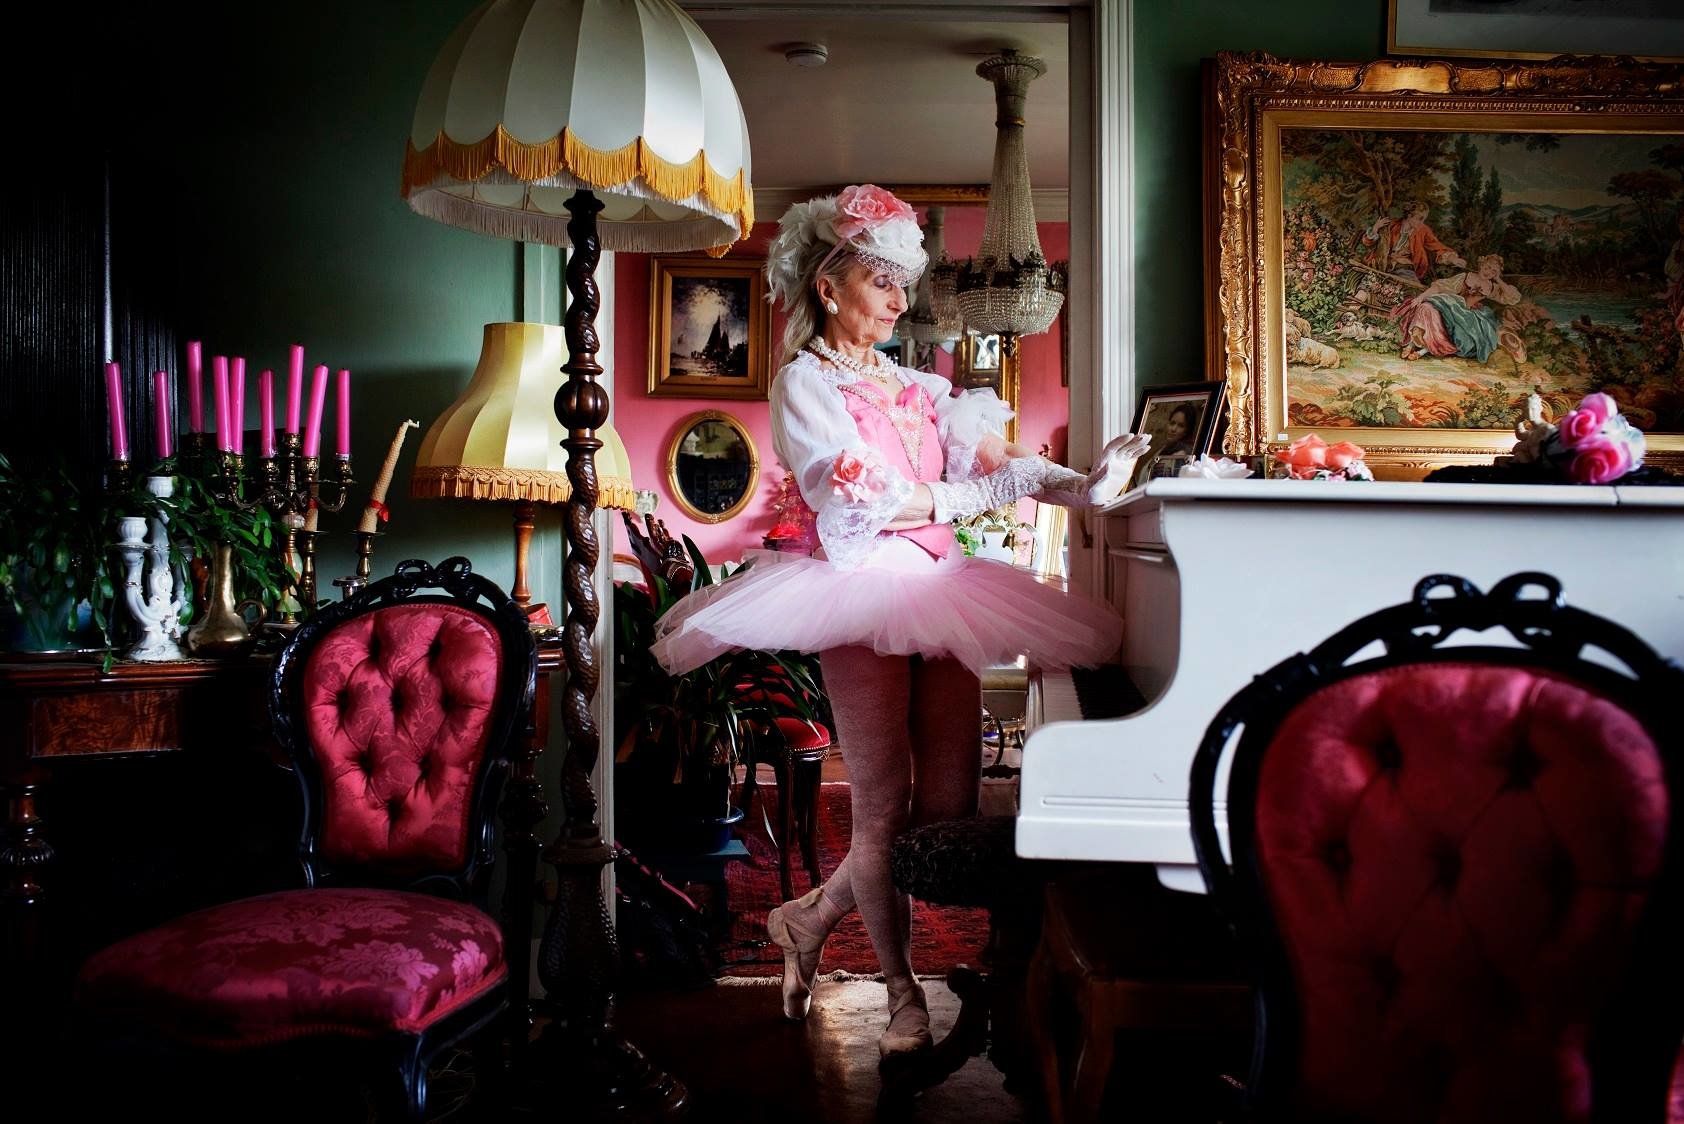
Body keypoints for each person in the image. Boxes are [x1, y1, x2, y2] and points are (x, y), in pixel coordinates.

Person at [649, 185, 1142, 1066]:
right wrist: (979, 495)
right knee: (881, 813)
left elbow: (1007, 459)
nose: (899, 300)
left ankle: (808, 916)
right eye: (882, 281)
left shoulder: (922, 384)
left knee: (945, 810)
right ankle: (901, 993)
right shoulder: (805, 384)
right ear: (829, 286)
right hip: (857, 592)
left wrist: (1087, 485)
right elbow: (865, 501)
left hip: (941, 588)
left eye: (900, 282)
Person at [1394, 253, 1525, 364]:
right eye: (1487, 267)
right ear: (1481, 265)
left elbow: (1513, 298)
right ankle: (1412, 343)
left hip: (1470, 315)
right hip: (1453, 306)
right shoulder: (1466, 276)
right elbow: (1440, 286)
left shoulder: (1492, 287)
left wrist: (1498, 279)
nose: (1488, 272)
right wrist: (1421, 297)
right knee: (1426, 307)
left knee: (1463, 335)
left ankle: (1423, 349)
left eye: (1493, 271)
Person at [1362, 201, 1467, 286]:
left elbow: (1437, 246)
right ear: (1409, 216)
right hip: (1381, 264)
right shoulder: (1391, 225)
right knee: (1368, 285)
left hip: (1404, 268)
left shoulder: (1423, 230)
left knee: (1412, 290)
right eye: (1419, 219)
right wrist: (1375, 228)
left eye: (1423, 220)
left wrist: (1453, 259)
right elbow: (1367, 242)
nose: (1422, 223)